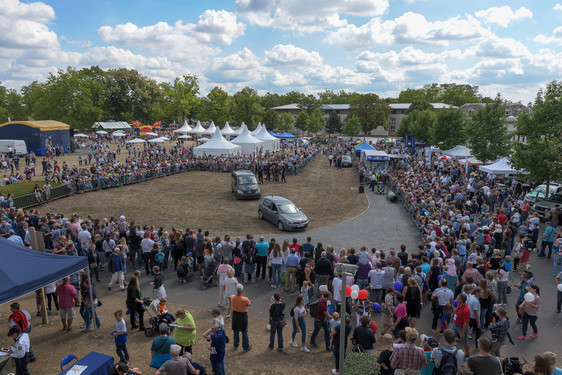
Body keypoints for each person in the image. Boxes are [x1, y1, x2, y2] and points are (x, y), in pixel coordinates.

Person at [230, 283, 252, 352]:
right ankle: (245, 347)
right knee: (244, 331)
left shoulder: (232, 297)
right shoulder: (245, 299)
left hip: (235, 316)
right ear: (242, 291)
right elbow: (249, 304)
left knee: (235, 331)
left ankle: (236, 345)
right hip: (243, 316)